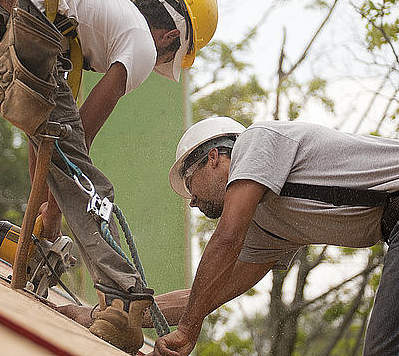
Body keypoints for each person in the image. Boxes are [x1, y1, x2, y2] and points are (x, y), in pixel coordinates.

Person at [0, 0, 218, 354]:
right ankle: (122, 300)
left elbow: (43, 137)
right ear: (171, 35)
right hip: (12, 18)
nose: (164, 62)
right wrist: (52, 216)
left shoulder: (92, 6)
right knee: (82, 172)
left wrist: (46, 222)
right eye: (174, 54)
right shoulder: (139, 42)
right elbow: (73, 143)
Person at [58, 116, 399, 355]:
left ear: (215, 158)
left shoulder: (258, 139)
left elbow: (227, 237)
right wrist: (98, 314)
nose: (191, 201)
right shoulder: (269, 225)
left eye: (190, 184)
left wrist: (190, 330)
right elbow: (203, 296)